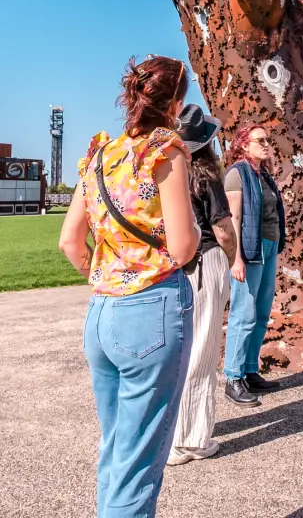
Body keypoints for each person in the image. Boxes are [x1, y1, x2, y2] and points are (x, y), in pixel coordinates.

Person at [59, 55, 200, 518]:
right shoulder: (165, 148)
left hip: (102, 311)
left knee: (117, 447)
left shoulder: (100, 152)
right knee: (139, 461)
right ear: (176, 103)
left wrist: (107, 275)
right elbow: (181, 247)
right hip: (151, 307)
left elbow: (69, 240)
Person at [168, 104, 237, 465]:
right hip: (204, 257)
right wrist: (231, 257)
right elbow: (223, 229)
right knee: (204, 348)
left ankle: (175, 427)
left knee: (179, 348)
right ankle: (191, 438)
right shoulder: (205, 176)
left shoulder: (163, 172)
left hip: (172, 263)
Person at [222, 124, 286, 406]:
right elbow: (233, 219)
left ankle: (249, 370)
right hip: (249, 250)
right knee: (243, 314)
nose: (266, 144)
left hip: (269, 248)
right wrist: (236, 259)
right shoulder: (238, 173)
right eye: (259, 140)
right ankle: (233, 377)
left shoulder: (264, 175)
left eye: (267, 140)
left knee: (260, 313)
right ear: (244, 145)